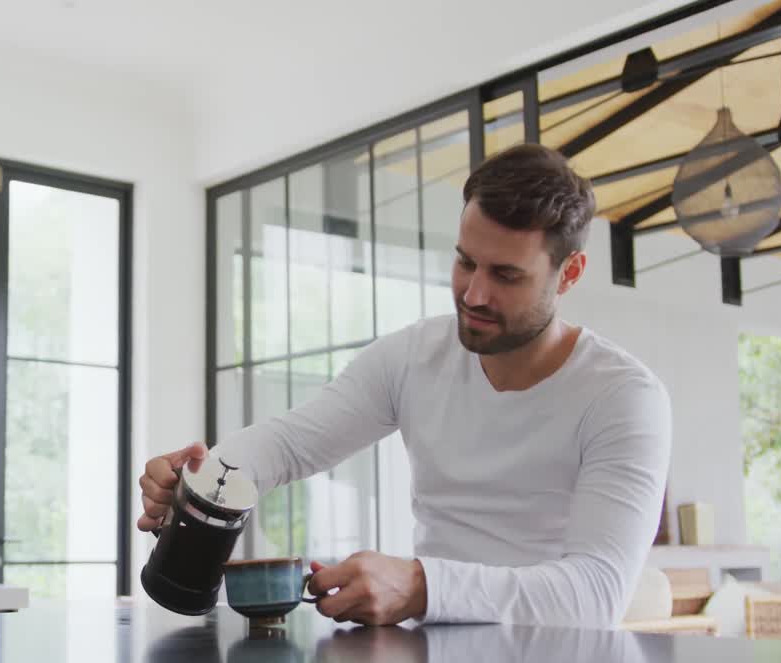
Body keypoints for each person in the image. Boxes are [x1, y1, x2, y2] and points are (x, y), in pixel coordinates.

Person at [137, 143, 672, 629]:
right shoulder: (415, 356)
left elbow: (595, 595)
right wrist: (204, 485)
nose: (475, 294)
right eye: (465, 261)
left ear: (570, 273)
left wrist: (420, 586)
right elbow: (289, 444)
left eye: (507, 276)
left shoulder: (623, 398)